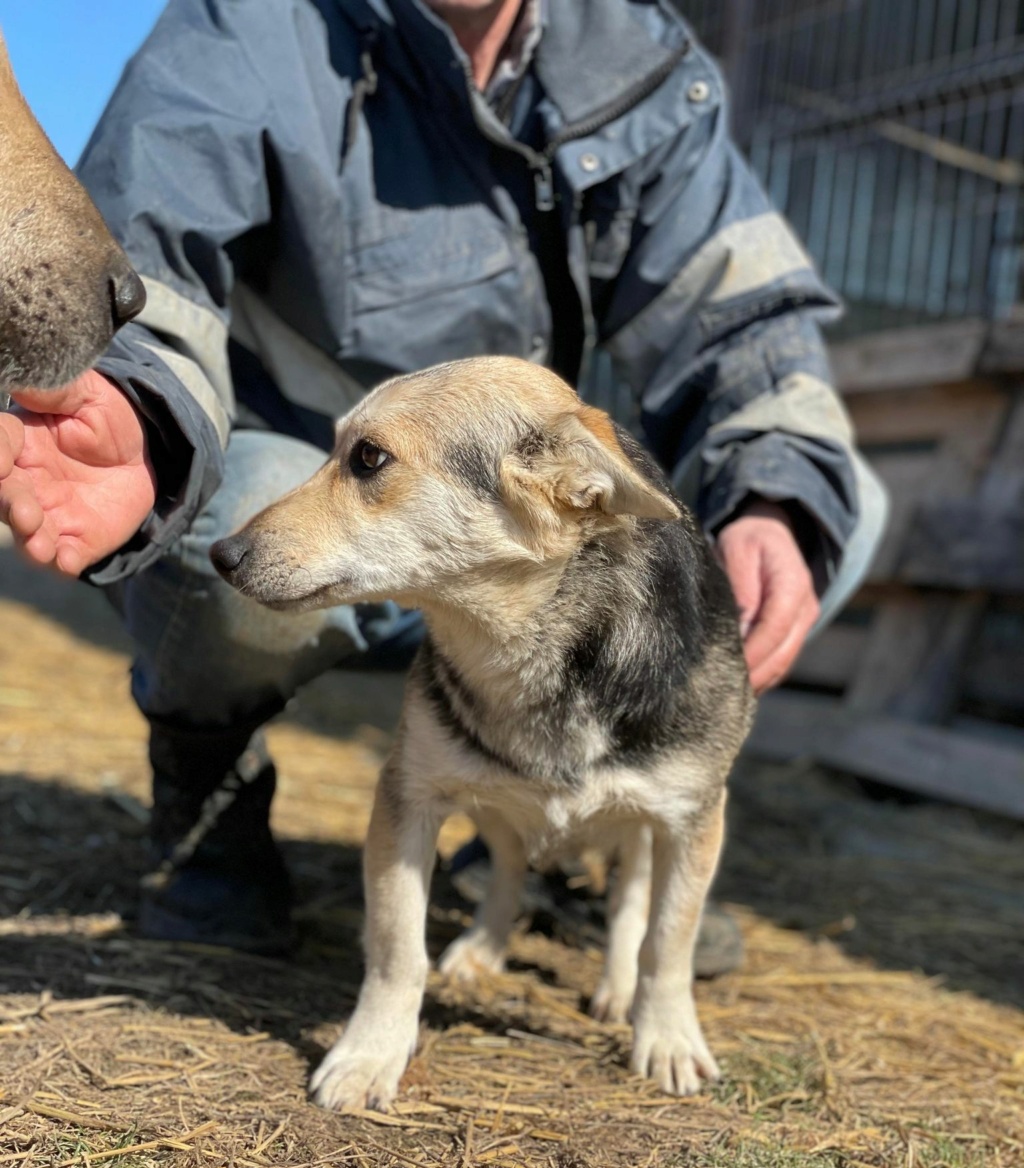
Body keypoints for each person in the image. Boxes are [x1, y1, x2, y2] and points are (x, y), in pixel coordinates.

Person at [0, 0, 886, 960]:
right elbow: (153, 253)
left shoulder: (642, 55)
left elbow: (744, 315)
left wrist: (777, 495)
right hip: (315, 471)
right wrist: (141, 409)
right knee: (231, 555)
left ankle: (545, 843)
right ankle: (209, 811)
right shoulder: (254, 26)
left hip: (528, 533)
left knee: (837, 506)